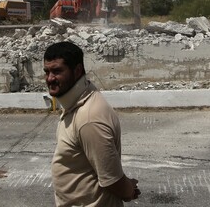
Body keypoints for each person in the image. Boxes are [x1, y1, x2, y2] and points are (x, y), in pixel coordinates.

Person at [43, 41, 140, 206]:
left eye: (57, 71)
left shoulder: (89, 118)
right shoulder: (76, 102)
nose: (50, 78)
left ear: (77, 70)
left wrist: (129, 190)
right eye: (47, 72)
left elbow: (112, 180)